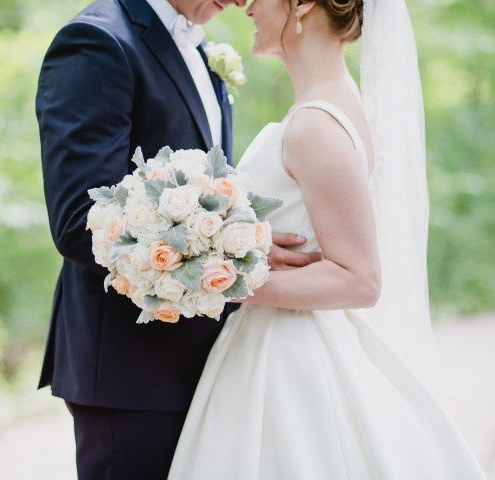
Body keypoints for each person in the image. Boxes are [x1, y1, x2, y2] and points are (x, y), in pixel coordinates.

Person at [167, 0, 489, 478]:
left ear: (303, 4)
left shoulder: (316, 124)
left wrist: (221, 276)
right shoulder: (329, 105)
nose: (247, 4)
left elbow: (360, 279)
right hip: (271, 342)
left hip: (290, 362)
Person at [34, 0, 322, 478]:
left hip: (210, 360)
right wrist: (237, 247)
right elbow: (79, 219)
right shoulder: (96, 42)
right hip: (130, 374)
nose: (238, 0)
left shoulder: (200, 47)